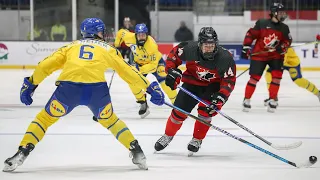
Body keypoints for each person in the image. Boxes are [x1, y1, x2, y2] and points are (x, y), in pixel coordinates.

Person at [3, 18, 165, 172]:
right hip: (97, 91)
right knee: (112, 121)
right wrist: (149, 88)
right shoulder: (108, 49)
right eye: (102, 32)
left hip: (68, 90)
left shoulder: (71, 46)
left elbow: (45, 65)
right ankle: (137, 152)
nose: (104, 35)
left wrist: (31, 83)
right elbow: (128, 72)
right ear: (97, 33)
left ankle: (22, 152)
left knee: (43, 119)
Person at [154, 27, 236, 155]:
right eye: (205, 46)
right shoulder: (189, 48)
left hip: (213, 87)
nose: (209, 49)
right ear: (199, 44)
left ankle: (197, 139)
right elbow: (173, 56)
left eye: (211, 45)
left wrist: (221, 97)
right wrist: (171, 71)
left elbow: (229, 81)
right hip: (192, 83)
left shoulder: (225, 57)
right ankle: (168, 135)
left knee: (206, 113)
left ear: (216, 44)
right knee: (178, 112)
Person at [114, 23, 177, 118]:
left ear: (147, 34)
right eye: (139, 35)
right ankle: (143, 102)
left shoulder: (151, 45)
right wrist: (117, 45)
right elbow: (120, 32)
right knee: (133, 83)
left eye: (143, 35)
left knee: (165, 83)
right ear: (135, 34)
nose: (141, 37)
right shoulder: (129, 37)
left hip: (154, 63)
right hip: (137, 62)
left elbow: (152, 66)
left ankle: (177, 105)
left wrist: (138, 70)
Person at [241, 3, 292, 113]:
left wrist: (282, 48)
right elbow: (251, 34)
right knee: (254, 78)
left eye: (284, 12)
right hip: (259, 55)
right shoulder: (262, 23)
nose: (283, 14)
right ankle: (247, 99)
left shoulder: (284, 28)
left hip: (276, 56)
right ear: (274, 13)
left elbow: (287, 41)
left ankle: (273, 100)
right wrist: (246, 47)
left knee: (276, 78)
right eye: (281, 12)